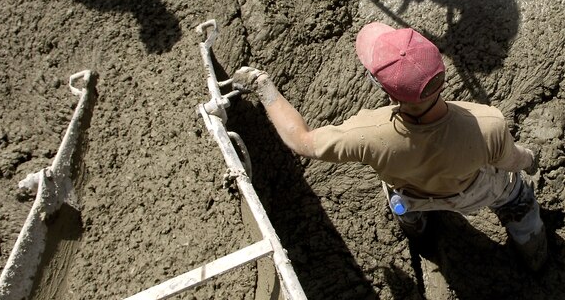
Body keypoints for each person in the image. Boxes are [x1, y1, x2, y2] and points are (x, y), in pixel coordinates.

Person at [232, 21, 548, 271]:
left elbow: (302, 142)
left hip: (413, 196)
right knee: (517, 197)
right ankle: (533, 253)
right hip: (475, 191)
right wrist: (530, 159)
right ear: (441, 70)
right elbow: (512, 159)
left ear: (386, 90)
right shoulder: (487, 123)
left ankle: (419, 234)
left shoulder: (368, 132)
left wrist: (264, 87)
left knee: (399, 203)